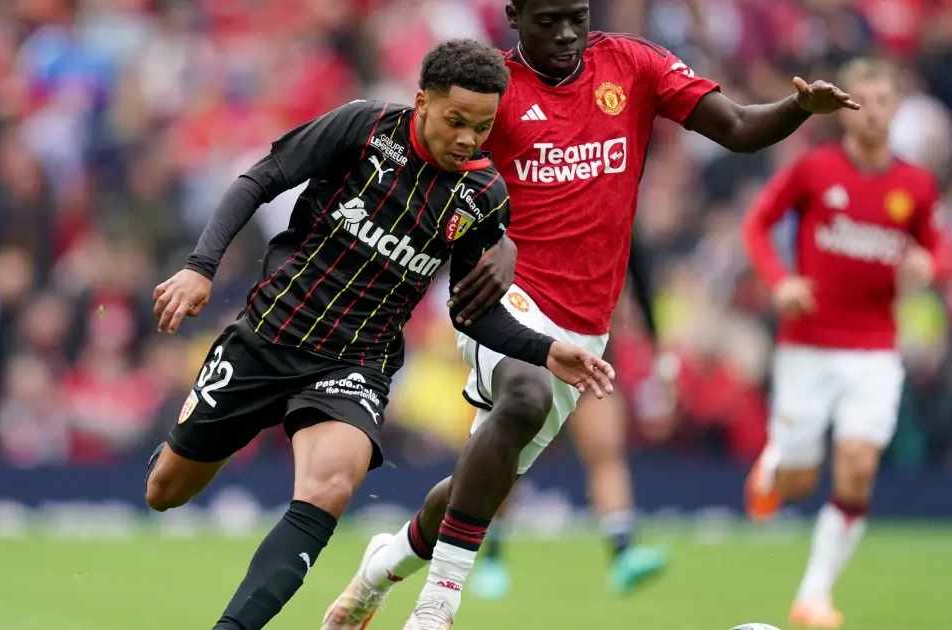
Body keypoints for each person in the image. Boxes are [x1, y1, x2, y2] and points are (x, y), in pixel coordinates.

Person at [323, 2, 858, 628]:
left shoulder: (633, 65)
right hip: (503, 299)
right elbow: (432, 174)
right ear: (515, 16)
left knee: (480, 481)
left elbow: (738, 126)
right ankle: (437, 605)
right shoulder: (493, 91)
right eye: (548, 20)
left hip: (586, 323)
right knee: (524, 397)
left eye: (576, 16)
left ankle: (378, 571)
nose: (566, 34)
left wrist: (798, 107)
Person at [142, 39, 615, 630]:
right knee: (165, 492)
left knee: (330, 488)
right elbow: (260, 179)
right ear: (423, 102)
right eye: (456, 121)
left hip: (355, 363)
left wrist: (546, 350)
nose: (468, 139)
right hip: (269, 333)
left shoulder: (483, 196)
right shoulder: (364, 127)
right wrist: (200, 267)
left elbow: (471, 313)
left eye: (483, 127)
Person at [740, 58, 944, 629]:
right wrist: (780, 283)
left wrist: (929, 263)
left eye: (884, 101)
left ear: (896, 108)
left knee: (857, 466)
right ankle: (775, 464)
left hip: (875, 350)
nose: (873, 112)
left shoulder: (916, 185)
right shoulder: (814, 169)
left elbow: (936, 246)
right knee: (800, 481)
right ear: (846, 109)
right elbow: (756, 224)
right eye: (864, 101)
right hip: (807, 347)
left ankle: (814, 596)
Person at [470, 230, 676, 600]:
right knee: (511, 455)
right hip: (533, 344)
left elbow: (639, 268)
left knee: (605, 448)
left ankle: (623, 552)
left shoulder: (615, 204)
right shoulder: (536, 204)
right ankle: (491, 556)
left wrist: (656, 344)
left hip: (592, 349)